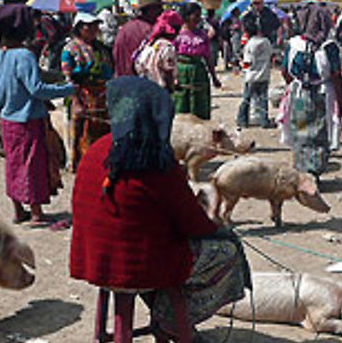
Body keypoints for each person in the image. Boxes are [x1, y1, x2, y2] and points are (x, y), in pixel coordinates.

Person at [69, 75, 248, 328]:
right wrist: (221, 231)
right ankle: (172, 320)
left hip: (94, 258)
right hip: (137, 264)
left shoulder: (97, 148)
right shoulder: (155, 159)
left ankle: (165, 316)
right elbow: (193, 224)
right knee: (228, 254)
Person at [0, 4, 74, 226]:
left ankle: (18, 210)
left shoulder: (0, 56)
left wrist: (56, 76)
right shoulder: (25, 55)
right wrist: (68, 89)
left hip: (8, 118)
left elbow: (9, 85)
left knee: (13, 164)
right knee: (32, 164)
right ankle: (37, 212)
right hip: (28, 120)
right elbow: (36, 89)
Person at [280, 2, 342, 181]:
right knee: (320, 133)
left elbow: (285, 71)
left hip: (299, 93)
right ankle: (314, 172)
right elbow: (336, 75)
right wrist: (341, 102)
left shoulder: (293, 45)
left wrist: (294, 85)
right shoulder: (329, 47)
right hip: (323, 94)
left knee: (301, 131)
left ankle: (302, 169)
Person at [62, 12, 113, 171]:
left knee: (102, 130)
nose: (93, 29)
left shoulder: (102, 48)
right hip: (81, 96)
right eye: (88, 26)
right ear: (79, 28)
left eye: (95, 25)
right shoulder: (70, 49)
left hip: (101, 96)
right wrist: (75, 101)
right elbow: (67, 77)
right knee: (81, 131)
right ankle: (81, 165)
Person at [173, 1, 220, 119]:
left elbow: (208, 57)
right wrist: (173, 77)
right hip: (181, 73)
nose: (199, 19)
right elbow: (171, 57)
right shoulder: (177, 35)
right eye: (196, 15)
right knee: (181, 105)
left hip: (199, 73)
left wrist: (214, 77)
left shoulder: (202, 35)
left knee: (200, 106)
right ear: (187, 16)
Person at [112, 0, 163, 76]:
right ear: (151, 10)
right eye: (159, 8)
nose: (162, 11)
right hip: (142, 81)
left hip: (122, 79)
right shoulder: (151, 31)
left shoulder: (125, 28)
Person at [236, 13, 274, 128]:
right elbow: (271, 56)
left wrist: (241, 64)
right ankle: (264, 121)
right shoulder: (266, 42)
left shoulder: (249, 44)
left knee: (247, 99)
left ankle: (242, 120)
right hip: (264, 75)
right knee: (263, 99)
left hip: (251, 76)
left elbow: (248, 63)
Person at [134, 9, 182, 90]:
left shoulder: (149, 44)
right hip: (161, 90)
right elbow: (169, 71)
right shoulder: (167, 47)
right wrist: (174, 85)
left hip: (147, 87)